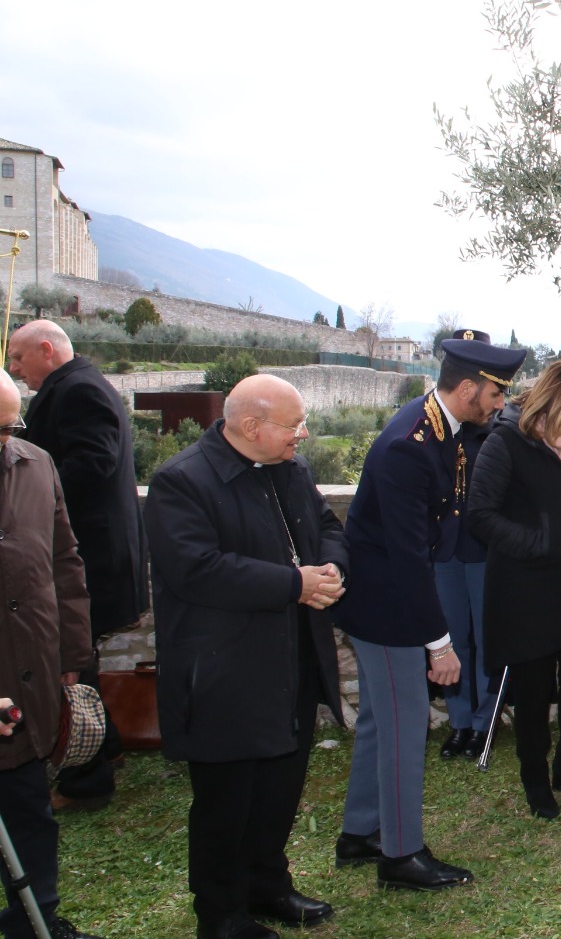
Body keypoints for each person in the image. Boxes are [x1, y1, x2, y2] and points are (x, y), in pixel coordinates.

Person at [145, 374, 346, 939]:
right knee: (226, 800)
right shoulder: (181, 481)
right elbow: (195, 569)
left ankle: (267, 884)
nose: (302, 435)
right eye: (293, 425)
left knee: (281, 786)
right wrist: (294, 584)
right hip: (224, 670)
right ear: (251, 426)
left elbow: (327, 527)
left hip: (291, 660)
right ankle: (221, 914)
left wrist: (332, 568)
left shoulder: (291, 469)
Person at [335, 335, 523, 891]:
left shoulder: (441, 426)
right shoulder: (411, 445)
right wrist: (439, 643)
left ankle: (360, 832)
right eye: (495, 394)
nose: (499, 404)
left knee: (379, 720)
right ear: (466, 389)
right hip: (387, 606)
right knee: (404, 723)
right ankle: (401, 854)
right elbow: (408, 555)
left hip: (387, 598)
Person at [467, 361, 561, 821]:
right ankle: (535, 780)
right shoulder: (505, 442)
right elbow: (480, 515)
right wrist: (539, 543)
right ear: (557, 404)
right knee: (532, 698)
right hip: (526, 595)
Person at [8, 319, 148, 809]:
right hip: (95, 552)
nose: (13, 368)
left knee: (72, 663)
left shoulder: (79, 391)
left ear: (46, 349)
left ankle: (86, 781)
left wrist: (28, 496)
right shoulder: (77, 385)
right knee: (79, 660)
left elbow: (92, 464)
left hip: (89, 557)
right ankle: (103, 749)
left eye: (18, 357)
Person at [0, 371, 102, 939]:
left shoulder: (36, 463)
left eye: (11, 425)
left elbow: (65, 560)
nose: (5, 439)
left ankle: (37, 919)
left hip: (30, 666)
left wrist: (71, 651)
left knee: (30, 807)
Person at [431, 331, 513, 761]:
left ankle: (484, 723)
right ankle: (459, 722)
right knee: (452, 640)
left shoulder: (501, 431)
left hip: (485, 553)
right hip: (444, 551)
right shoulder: (436, 426)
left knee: (486, 642)